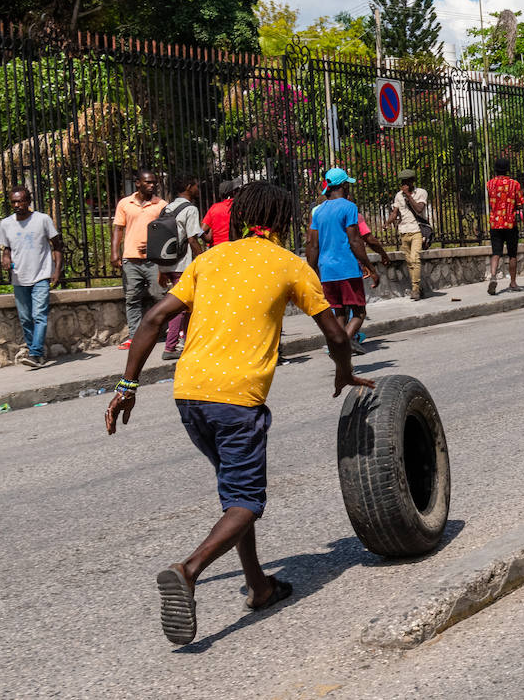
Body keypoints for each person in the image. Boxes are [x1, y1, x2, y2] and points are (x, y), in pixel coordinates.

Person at [103, 181, 374, 647]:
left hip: (188, 394)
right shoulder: (290, 266)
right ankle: (188, 570)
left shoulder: (207, 261)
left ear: (240, 215)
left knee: (234, 495)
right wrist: (344, 374)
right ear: (284, 221)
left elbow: (151, 321)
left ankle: (260, 586)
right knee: (247, 501)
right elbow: (336, 335)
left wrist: (127, 386)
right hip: (237, 400)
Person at [305, 168, 378, 355]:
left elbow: (312, 246)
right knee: (359, 312)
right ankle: (342, 344)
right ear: (344, 185)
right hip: (347, 268)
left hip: (327, 272)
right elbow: (355, 241)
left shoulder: (318, 212)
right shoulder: (348, 207)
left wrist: (312, 271)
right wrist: (371, 268)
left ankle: (340, 355)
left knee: (340, 313)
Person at [0, 186, 63, 368]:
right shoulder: (6, 224)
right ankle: (38, 352)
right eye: (13, 202)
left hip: (41, 274)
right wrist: (5, 258)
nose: (17, 205)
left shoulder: (42, 220)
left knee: (39, 315)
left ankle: (34, 353)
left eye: (20, 201)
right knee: (25, 317)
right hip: (19, 277)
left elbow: (57, 245)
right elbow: (6, 248)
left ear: (28, 202)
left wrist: (56, 271)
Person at [111, 169, 168, 348]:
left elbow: (168, 231)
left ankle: (163, 333)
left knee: (160, 297)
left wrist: (154, 245)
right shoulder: (125, 203)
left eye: (154, 182)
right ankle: (135, 336)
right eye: (148, 182)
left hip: (154, 260)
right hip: (131, 259)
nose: (152, 185)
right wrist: (114, 252)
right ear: (138, 183)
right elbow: (118, 229)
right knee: (132, 298)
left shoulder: (161, 205)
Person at [158, 175, 205, 361]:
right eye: (196, 186)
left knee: (187, 304)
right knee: (179, 305)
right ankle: (170, 347)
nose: (198, 189)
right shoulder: (190, 209)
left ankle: (187, 342)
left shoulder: (166, 208)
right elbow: (193, 238)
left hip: (167, 261)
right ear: (188, 187)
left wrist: (161, 269)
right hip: (182, 263)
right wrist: (203, 259)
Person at [385, 169, 430, 299]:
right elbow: (395, 212)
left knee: (415, 259)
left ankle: (415, 289)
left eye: (407, 182)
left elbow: (419, 209)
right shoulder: (398, 196)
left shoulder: (421, 193)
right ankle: (418, 287)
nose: (404, 184)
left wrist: (409, 196)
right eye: (403, 182)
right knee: (409, 261)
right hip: (403, 231)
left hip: (417, 230)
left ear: (412, 181)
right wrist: (387, 222)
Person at [486, 157, 524, 295]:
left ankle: (493, 276)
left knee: (496, 253)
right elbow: (520, 203)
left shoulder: (489, 184)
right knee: (512, 254)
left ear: (495, 169)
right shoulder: (514, 184)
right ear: (507, 169)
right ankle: (513, 283)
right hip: (510, 223)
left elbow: (491, 202)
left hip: (495, 223)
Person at [201, 180, 237, 246]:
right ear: (234, 192)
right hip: (234, 246)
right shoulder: (238, 207)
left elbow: (202, 230)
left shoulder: (214, 208)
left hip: (216, 248)